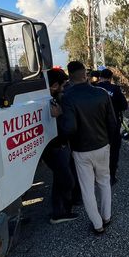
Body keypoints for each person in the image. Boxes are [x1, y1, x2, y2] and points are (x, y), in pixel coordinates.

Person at [58, 61, 119, 235]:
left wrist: (60, 121)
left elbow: (69, 128)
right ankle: (107, 216)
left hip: (81, 150)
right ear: (85, 74)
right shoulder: (101, 93)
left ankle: (97, 224)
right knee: (104, 181)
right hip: (102, 146)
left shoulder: (67, 97)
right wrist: (107, 141)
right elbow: (112, 123)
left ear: (70, 75)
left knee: (87, 188)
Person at [44, 68, 79, 223]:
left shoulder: (53, 99)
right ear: (54, 86)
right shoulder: (50, 102)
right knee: (66, 180)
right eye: (62, 85)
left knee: (60, 178)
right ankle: (59, 213)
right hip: (56, 147)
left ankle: (60, 209)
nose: (64, 89)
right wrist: (60, 117)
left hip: (58, 146)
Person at [95, 68, 128, 185]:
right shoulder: (115, 89)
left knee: (98, 150)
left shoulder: (93, 88)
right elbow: (124, 106)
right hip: (113, 125)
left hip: (96, 125)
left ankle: (98, 175)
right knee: (113, 151)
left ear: (100, 77)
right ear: (110, 78)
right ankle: (111, 176)